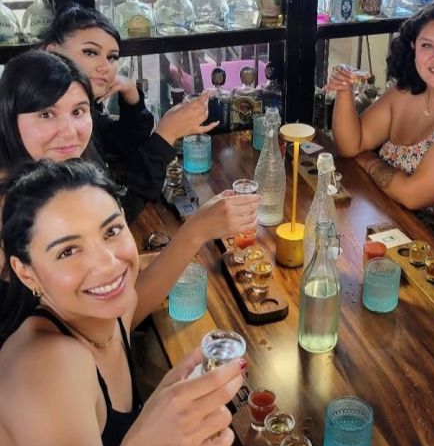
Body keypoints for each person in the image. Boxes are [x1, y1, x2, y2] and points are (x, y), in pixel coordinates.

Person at [0, 160, 283, 446]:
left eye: (111, 231)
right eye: (68, 252)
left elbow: (140, 292)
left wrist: (195, 231)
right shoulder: (48, 365)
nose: (107, 263)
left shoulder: (100, 314)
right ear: (27, 271)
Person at [0, 50, 257, 285]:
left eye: (78, 111)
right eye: (46, 114)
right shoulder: (14, 211)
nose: (69, 132)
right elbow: (109, 317)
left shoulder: (68, 172)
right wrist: (194, 232)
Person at [327, 0, 434, 246]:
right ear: (413, 48)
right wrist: (344, 89)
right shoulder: (406, 92)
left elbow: (412, 195)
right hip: (382, 220)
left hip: (433, 250)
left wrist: (366, 158)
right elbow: (350, 145)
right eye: (427, 45)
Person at [43, 4, 214, 219]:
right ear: (53, 53)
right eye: (90, 52)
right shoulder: (50, 129)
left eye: (112, 57)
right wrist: (166, 135)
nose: (104, 66)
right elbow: (118, 213)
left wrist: (131, 96)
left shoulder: (79, 111)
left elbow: (124, 144)